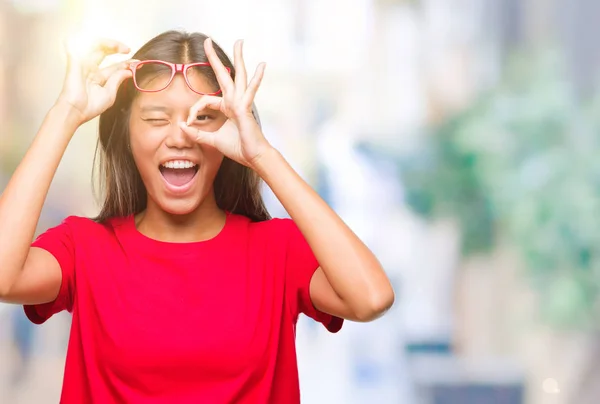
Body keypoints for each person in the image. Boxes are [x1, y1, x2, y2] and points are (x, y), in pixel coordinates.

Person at [0, 30, 395, 403]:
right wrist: (65, 112)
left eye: (203, 117)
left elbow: (371, 298)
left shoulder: (277, 250)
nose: (181, 136)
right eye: (156, 119)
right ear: (127, 136)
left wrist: (263, 156)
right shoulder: (85, 248)